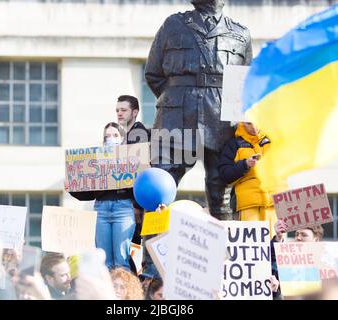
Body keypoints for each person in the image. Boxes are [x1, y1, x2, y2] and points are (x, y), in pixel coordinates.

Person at [145, 0, 252, 221]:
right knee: (159, 189)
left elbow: (243, 85)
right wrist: (177, 98)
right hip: (176, 119)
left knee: (221, 192)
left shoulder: (241, 34)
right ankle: (150, 255)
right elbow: (153, 73)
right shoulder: (173, 25)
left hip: (222, 121)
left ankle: (224, 253)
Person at [68, 122, 136, 271]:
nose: (111, 139)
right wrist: (72, 186)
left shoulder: (131, 159)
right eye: (107, 136)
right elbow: (88, 193)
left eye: (115, 135)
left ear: (122, 139)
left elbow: (139, 189)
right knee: (104, 263)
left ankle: (124, 293)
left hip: (123, 208)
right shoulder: (96, 160)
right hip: (101, 210)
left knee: (121, 260)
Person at [217, 122, 283, 239]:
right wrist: (245, 164)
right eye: (249, 124)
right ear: (241, 122)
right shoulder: (234, 144)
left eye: (256, 122)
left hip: (274, 204)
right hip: (248, 205)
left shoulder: (274, 139)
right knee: (251, 249)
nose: (254, 127)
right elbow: (224, 174)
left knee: (275, 245)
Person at [115, 95, 151, 272]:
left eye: (124, 110)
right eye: (117, 110)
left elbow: (139, 170)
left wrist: (137, 205)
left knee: (127, 252)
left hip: (133, 204)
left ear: (135, 112)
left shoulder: (138, 134)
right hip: (127, 202)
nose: (119, 113)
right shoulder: (125, 135)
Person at [270, 220, 325, 299]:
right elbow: (270, 261)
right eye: (296, 234)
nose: (298, 238)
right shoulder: (286, 262)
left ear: (316, 240)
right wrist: (277, 290)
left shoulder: (326, 265)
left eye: (304, 235)